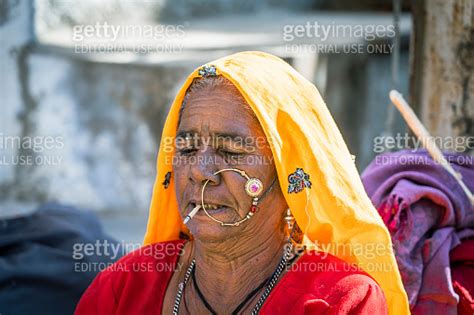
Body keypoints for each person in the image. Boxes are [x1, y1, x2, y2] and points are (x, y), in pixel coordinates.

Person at [75, 51, 409, 314]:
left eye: (232, 150)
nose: (200, 171)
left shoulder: (343, 300)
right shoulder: (124, 286)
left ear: (289, 173)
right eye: (188, 148)